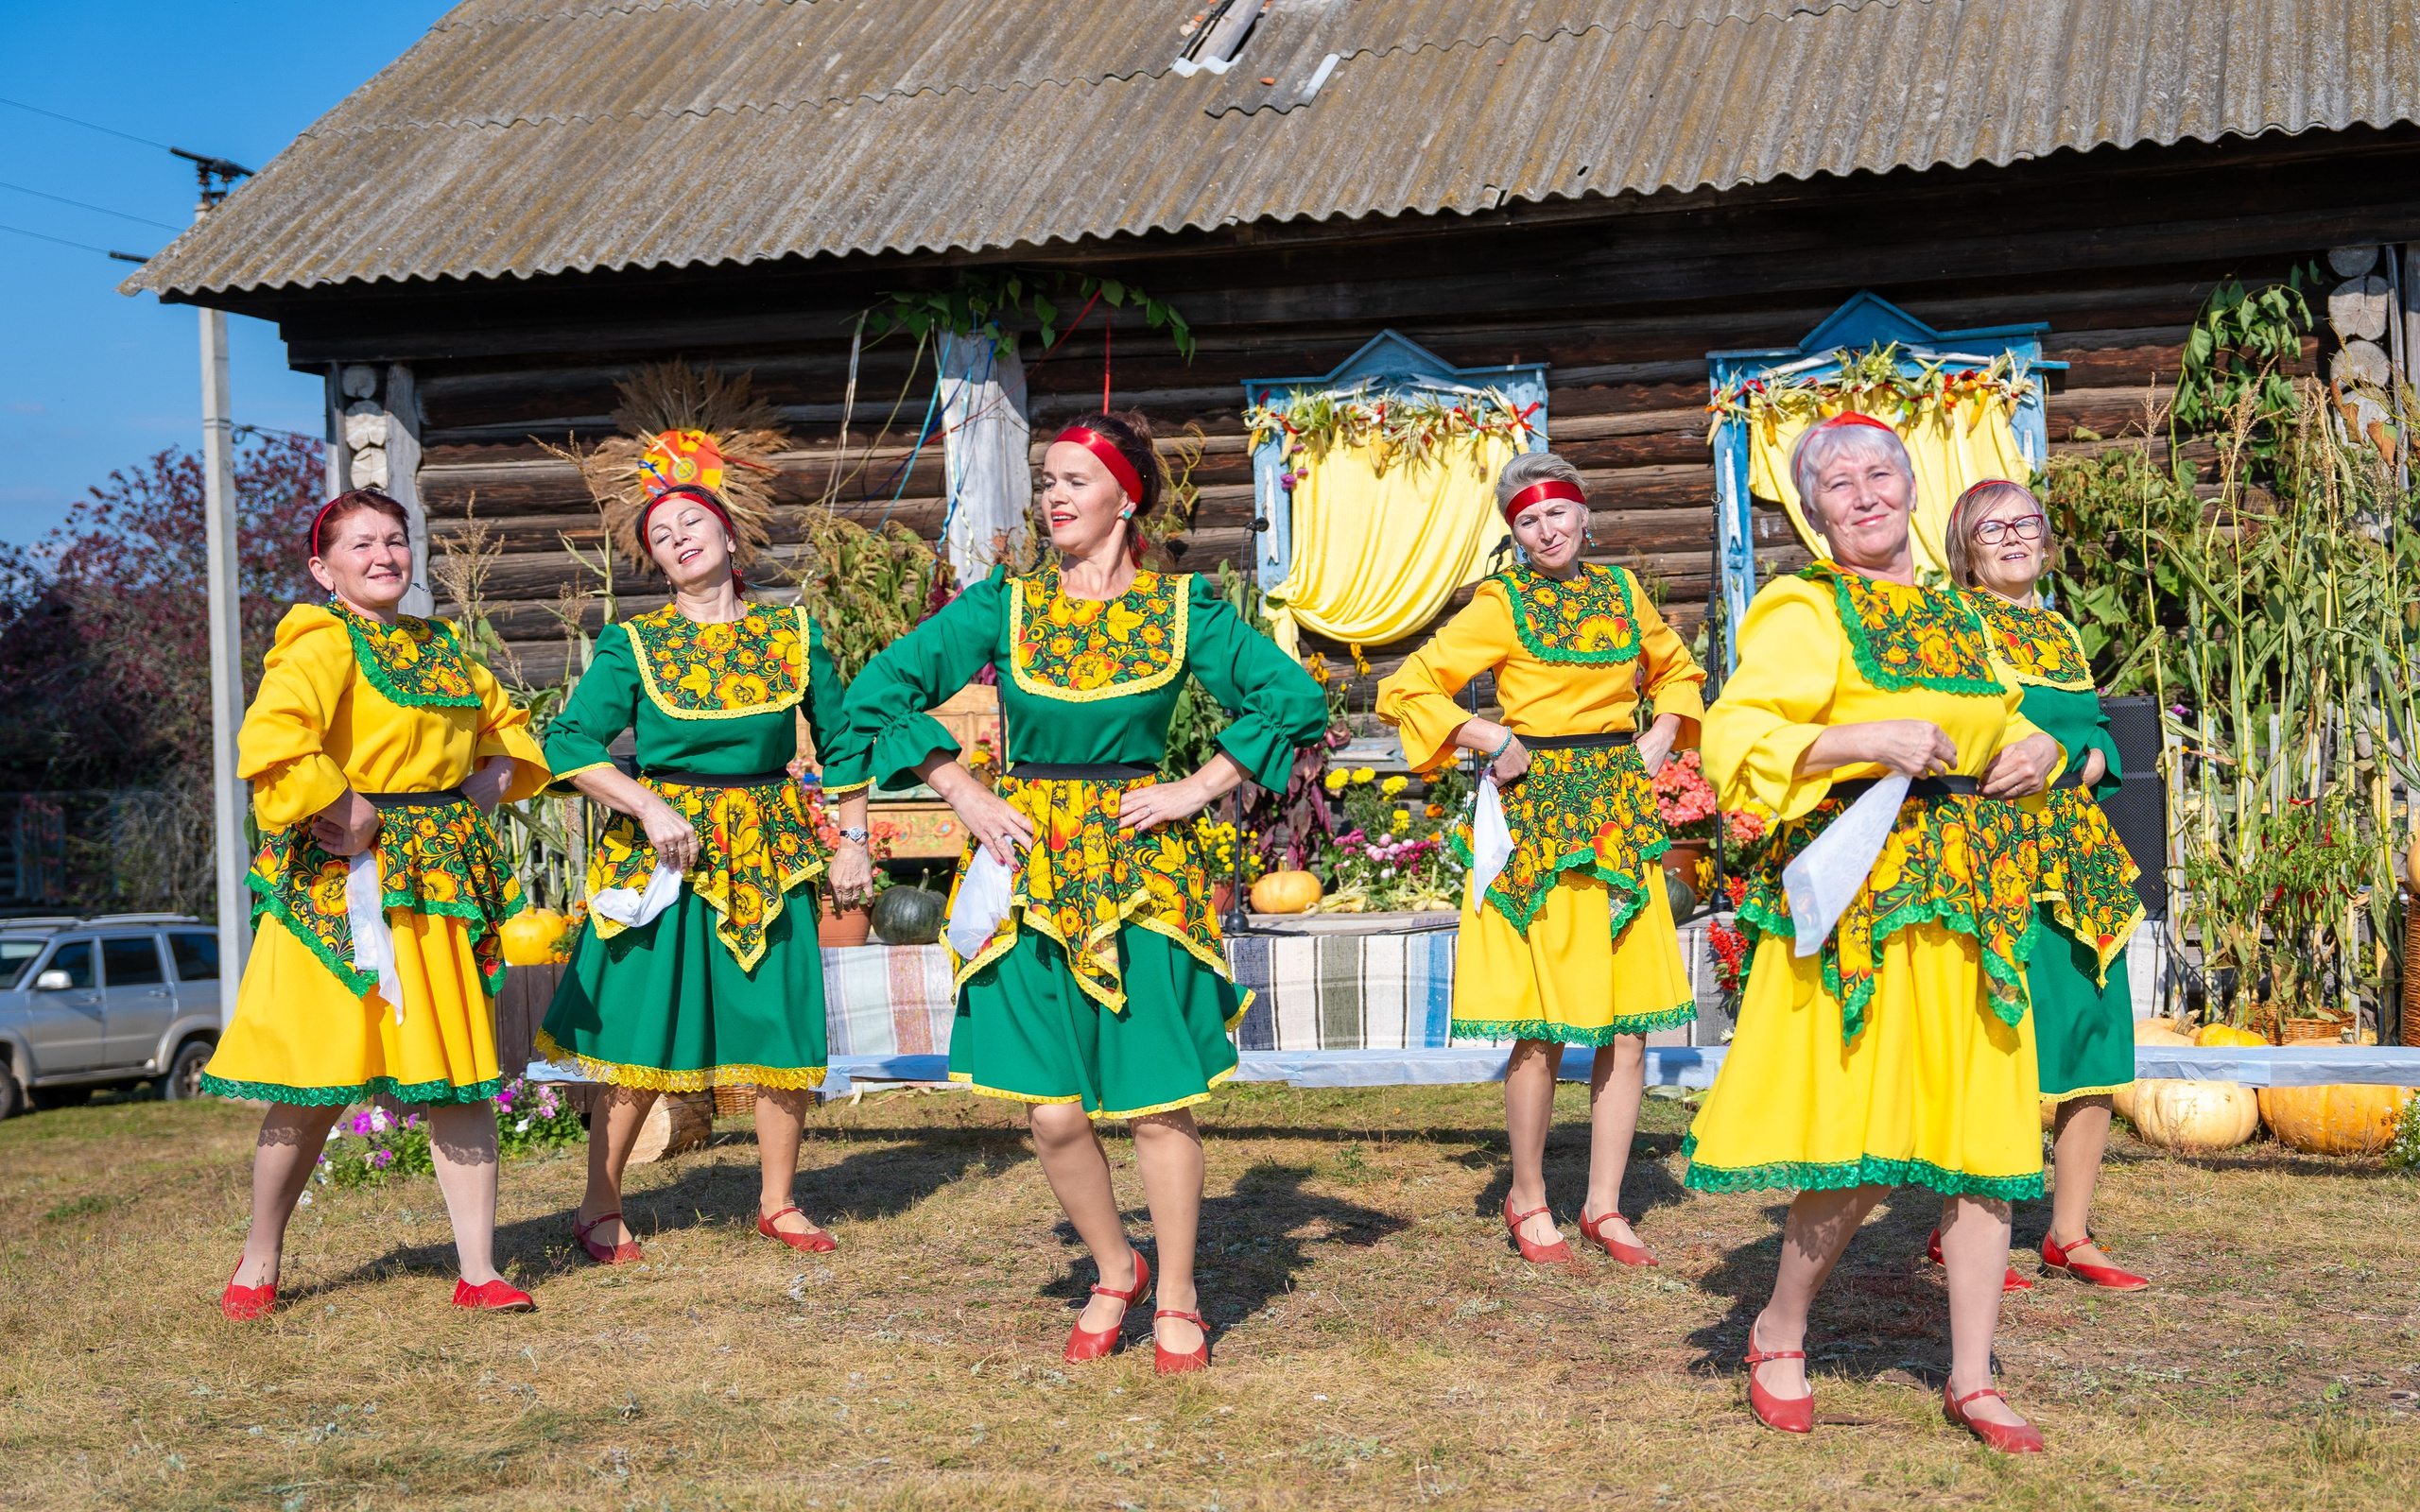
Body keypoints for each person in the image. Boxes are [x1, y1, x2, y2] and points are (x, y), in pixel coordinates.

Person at [826, 411, 1327, 1374]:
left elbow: (1291, 700)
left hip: (1144, 873)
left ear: (1123, 497)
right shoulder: (1001, 609)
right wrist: (962, 788)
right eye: (1044, 481)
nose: (1051, 496)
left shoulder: (1185, 611)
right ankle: (1114, 1267)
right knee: (1050, 1108)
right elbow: (877, 690)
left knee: (1155, 1099)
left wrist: (1196, 786)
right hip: (1029, 865)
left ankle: (1177, 1290)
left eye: (1071, 480)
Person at [1683, 414, 2064, 1452]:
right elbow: (1735, 734)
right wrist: (1857, 738)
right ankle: (1778, 1325)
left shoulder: (1956, 609)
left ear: (1908, 486)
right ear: (1813, 514)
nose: (1862, 495)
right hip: (1868, 908)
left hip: (1973, 902)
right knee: (1857, 1149)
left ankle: (1973, 1377)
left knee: (1985, 1145)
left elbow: (2007, 718)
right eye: (1837, 485)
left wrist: (2041, 756)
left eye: (1878, 475)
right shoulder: (1804, 606)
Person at [206, 489, 552, 1318]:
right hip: (341, 890)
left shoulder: (444, 649)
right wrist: (344, 804)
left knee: (458, 1078)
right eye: (361, 544)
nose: (384, 555)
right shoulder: (322, 640)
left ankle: (479, 1269)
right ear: (323, 568)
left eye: (395, 540)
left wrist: (494, 773)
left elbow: (507, 731)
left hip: (434, 883)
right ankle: (260, 1259)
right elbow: (273, 740)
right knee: (311, 1084)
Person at [533, 433, 874, 1263]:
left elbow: (849, 741)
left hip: (769, 847)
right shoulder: (633, 646)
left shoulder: (793, 636)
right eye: (661, 535)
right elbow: (568, 741)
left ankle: (779, 1201)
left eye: (692, 522)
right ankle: (600, 1205)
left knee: (778, 1028)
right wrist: (644, 802)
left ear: (729, 536)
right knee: (642, 1032)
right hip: (666, 857)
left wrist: (853, 837)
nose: (679, 538)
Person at [1374, 451, 1704, 1266]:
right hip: (1539, 820)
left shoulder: (1624, 593)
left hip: (1619, 813)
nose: (1546, 529)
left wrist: (1664, 727)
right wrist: (1489, 734)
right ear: (1514, 533)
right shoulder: (1500, 603)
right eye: (1527, 520)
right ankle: (1527, 1196)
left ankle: (1603, 1203)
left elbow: (1679, 670)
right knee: (1543, 1026)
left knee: (1627, 1028)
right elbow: (1409, 687)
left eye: (1557, 512)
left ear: (1585, 514)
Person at [1945, 478, 2148, 1291]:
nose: (2013, 538)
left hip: (2081, 852)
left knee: (2092, 1031)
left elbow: (2098, 734)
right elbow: (1976, 732)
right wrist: (2066, 762)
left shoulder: (2059, 627)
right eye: (1991, 529)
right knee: (1999, 1034)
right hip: (1997, 854)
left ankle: (2068, 1232)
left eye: (2025, 523)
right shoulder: (1957, 624)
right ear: (1965, 548)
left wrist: (2081, 761)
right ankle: (1960, 1231)